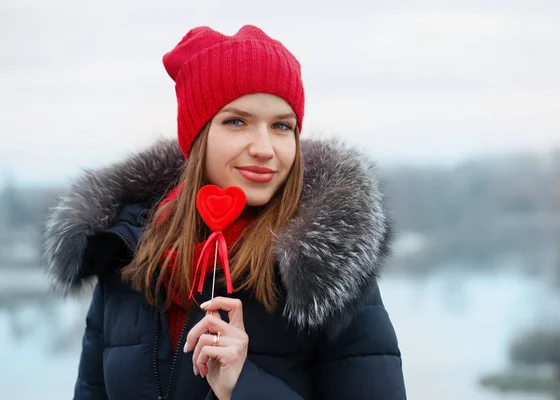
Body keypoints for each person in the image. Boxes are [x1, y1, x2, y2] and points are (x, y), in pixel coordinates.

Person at [43, 24, 408, 400]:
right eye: (237, 121)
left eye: (282, 126)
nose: (265, 147)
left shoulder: (325, 274)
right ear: (197, 135)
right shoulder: (127, 252)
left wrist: (243, 386)